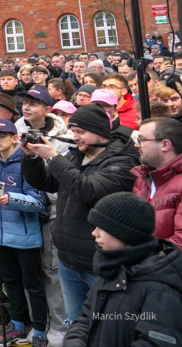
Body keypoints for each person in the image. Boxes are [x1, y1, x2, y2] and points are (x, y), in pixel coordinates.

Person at [21, 104, 139, 327]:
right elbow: (47, 183)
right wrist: (32, 159)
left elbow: (88, 191)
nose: (75, 138)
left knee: (103, 326)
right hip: (68, 259)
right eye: (73, 132)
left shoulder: (122, 161)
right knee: (75, 324)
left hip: (99, 263)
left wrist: (54, 158)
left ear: (100, 132)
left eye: (81, 132)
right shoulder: (76, 155)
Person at [63, 193, 182, 346]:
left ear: (125, 234)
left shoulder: (160, 290)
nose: (94, 233)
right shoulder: (112, 268)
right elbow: (87, 317)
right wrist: (74, 341)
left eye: (102, 228)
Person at [0, 119, 49, 347]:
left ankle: (40, 329)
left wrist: (11, 199)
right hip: (1, 236)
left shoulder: (26, 162)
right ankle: (18, 326)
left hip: (25, 238)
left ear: (14, 138)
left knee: (33, 285)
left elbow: (39, 202)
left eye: (2, 136)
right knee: (11, 283)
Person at [131, 117, 182, 248]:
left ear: (165, 145)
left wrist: (140, 256)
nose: (136, 145)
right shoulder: (143, 177)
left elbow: (180, 242)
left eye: (141, 140)